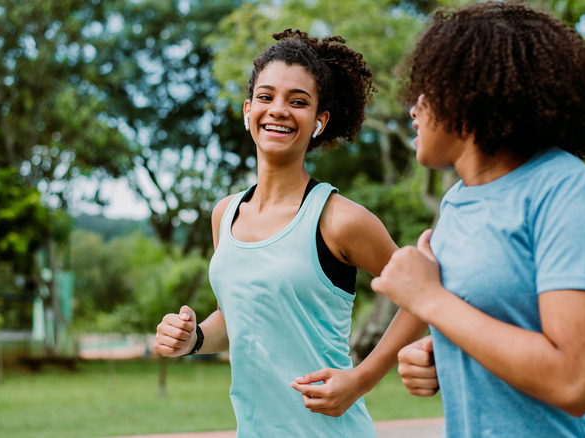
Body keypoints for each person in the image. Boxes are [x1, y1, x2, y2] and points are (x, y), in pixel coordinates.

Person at [370, 2, 585, 437]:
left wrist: (431, 301)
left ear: (469, 93)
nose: (411, 109)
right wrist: (443, 356)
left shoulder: (568, 193)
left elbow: (572, 381)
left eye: (425, 92)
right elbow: (488, 320)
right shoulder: (454, 203)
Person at [154, 29, 427, 437]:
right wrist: (192, 338)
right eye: (266, 97)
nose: (278, 110)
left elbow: (423, 296)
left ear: (320, 121)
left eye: (297, 101)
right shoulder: (224, 214)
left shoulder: (338, 219)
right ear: (248, 110)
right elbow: (237, 318)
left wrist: (361, 380)